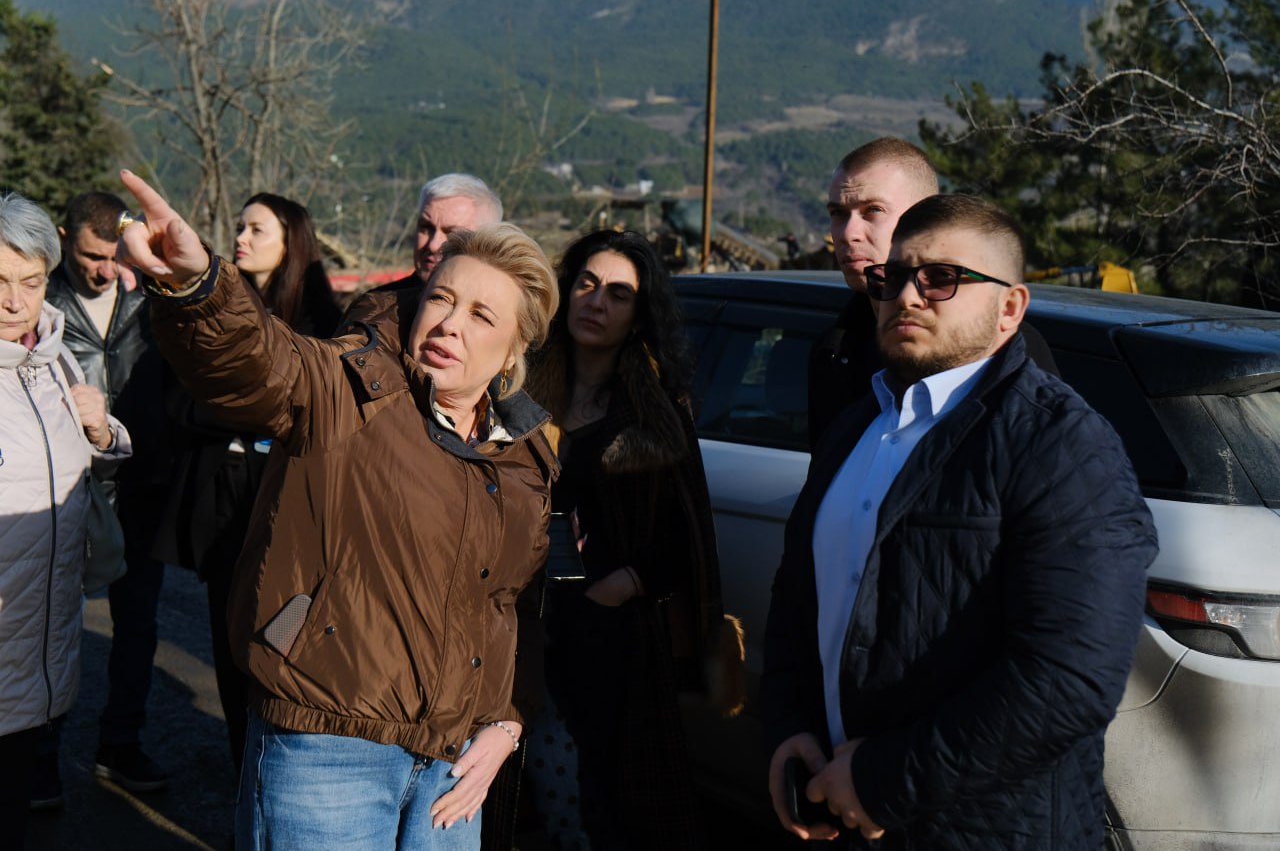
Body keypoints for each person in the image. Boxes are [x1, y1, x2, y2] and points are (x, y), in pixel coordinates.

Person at [116, 169, 558, 850]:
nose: (449, 323)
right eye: (441, 299)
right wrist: (198, 286)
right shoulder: (350, 388)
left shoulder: (526, 456)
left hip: (454, 767)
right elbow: (259, 362)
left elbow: (512, 605)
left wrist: (508, 720)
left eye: (481, 315)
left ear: (513, 350)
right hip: (327, 748)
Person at [762, 194, 1157, 848]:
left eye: (941, 278)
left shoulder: (1062, 443)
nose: (906, 296)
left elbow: (1069, 677)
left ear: (1011, 308)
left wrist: (883, 779)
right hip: (841, 814)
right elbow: (797, 597)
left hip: (987, 830)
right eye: (893, 276)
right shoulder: (856, 427)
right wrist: (788, 725)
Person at [520, 229, 735, 850]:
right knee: (540, 789)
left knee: (612, 800)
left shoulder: (654, 410)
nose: (596, 302)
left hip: (611, 636)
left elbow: (686, 532)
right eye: (586, 284)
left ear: (639, 316)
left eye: (619, 294)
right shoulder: (521, 392)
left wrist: (624, 584)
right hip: (526, 619)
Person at [153, 192, 342, 771]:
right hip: (222, 500)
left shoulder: (323, 325)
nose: (240, 238)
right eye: (239, 226)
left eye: (257, 229)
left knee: (284, 647)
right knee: (228, 641)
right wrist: (250, 413)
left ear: (292, 242)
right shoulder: (210, 316)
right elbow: (177, 402)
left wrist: (234, 408)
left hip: (288, 507)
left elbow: (310, 412)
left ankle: (279, 773)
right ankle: (244, 771)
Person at [0, 191, 132, 848]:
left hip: (39, 646)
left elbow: (73, 454)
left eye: (30, 281)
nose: (14, 301)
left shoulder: (51, 353)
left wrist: (103, 431)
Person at [40, 190, 174, 804]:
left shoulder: (150, 300)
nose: (105, 269)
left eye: (114, 255)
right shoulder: (39, 305)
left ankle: (120, 742)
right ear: (64, 239)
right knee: (52, 623)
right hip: (66, 485)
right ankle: (39, 754)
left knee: (137, 624)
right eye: (93, 256)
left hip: (141, 482)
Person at [808, 137, 1057, 447]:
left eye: (873, 210)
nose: (848, 234)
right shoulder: (834, 352)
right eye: (838, 213)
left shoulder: (1001, 349)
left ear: (925, 218)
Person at [385, 173, 504, 291]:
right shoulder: (380, 302)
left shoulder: (508, 303)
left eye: (452, 234)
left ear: (487, 242)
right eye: (425, 228)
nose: (433, 245)